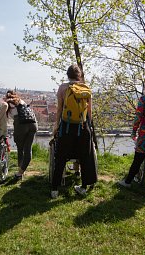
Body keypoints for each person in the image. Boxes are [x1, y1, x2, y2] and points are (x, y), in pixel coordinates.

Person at [50, 65, 97, 198]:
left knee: (60, 157)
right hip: (82, 126)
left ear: (67, 75)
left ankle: (55, 189)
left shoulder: (63, 88)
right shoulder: (86, 89)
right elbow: (89, 111)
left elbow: (59, 109)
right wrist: (88, 125)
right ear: (80, 75)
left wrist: (56, 126)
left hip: (67, 126)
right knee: (85, 156)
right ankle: (83, 186)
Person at [5, 90, 38, 179]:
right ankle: (22, 170)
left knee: (20, 148)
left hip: (21, 124)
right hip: (33, 123)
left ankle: (20, 171)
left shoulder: (9, 104)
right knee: (28, 149)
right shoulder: (21, 101)